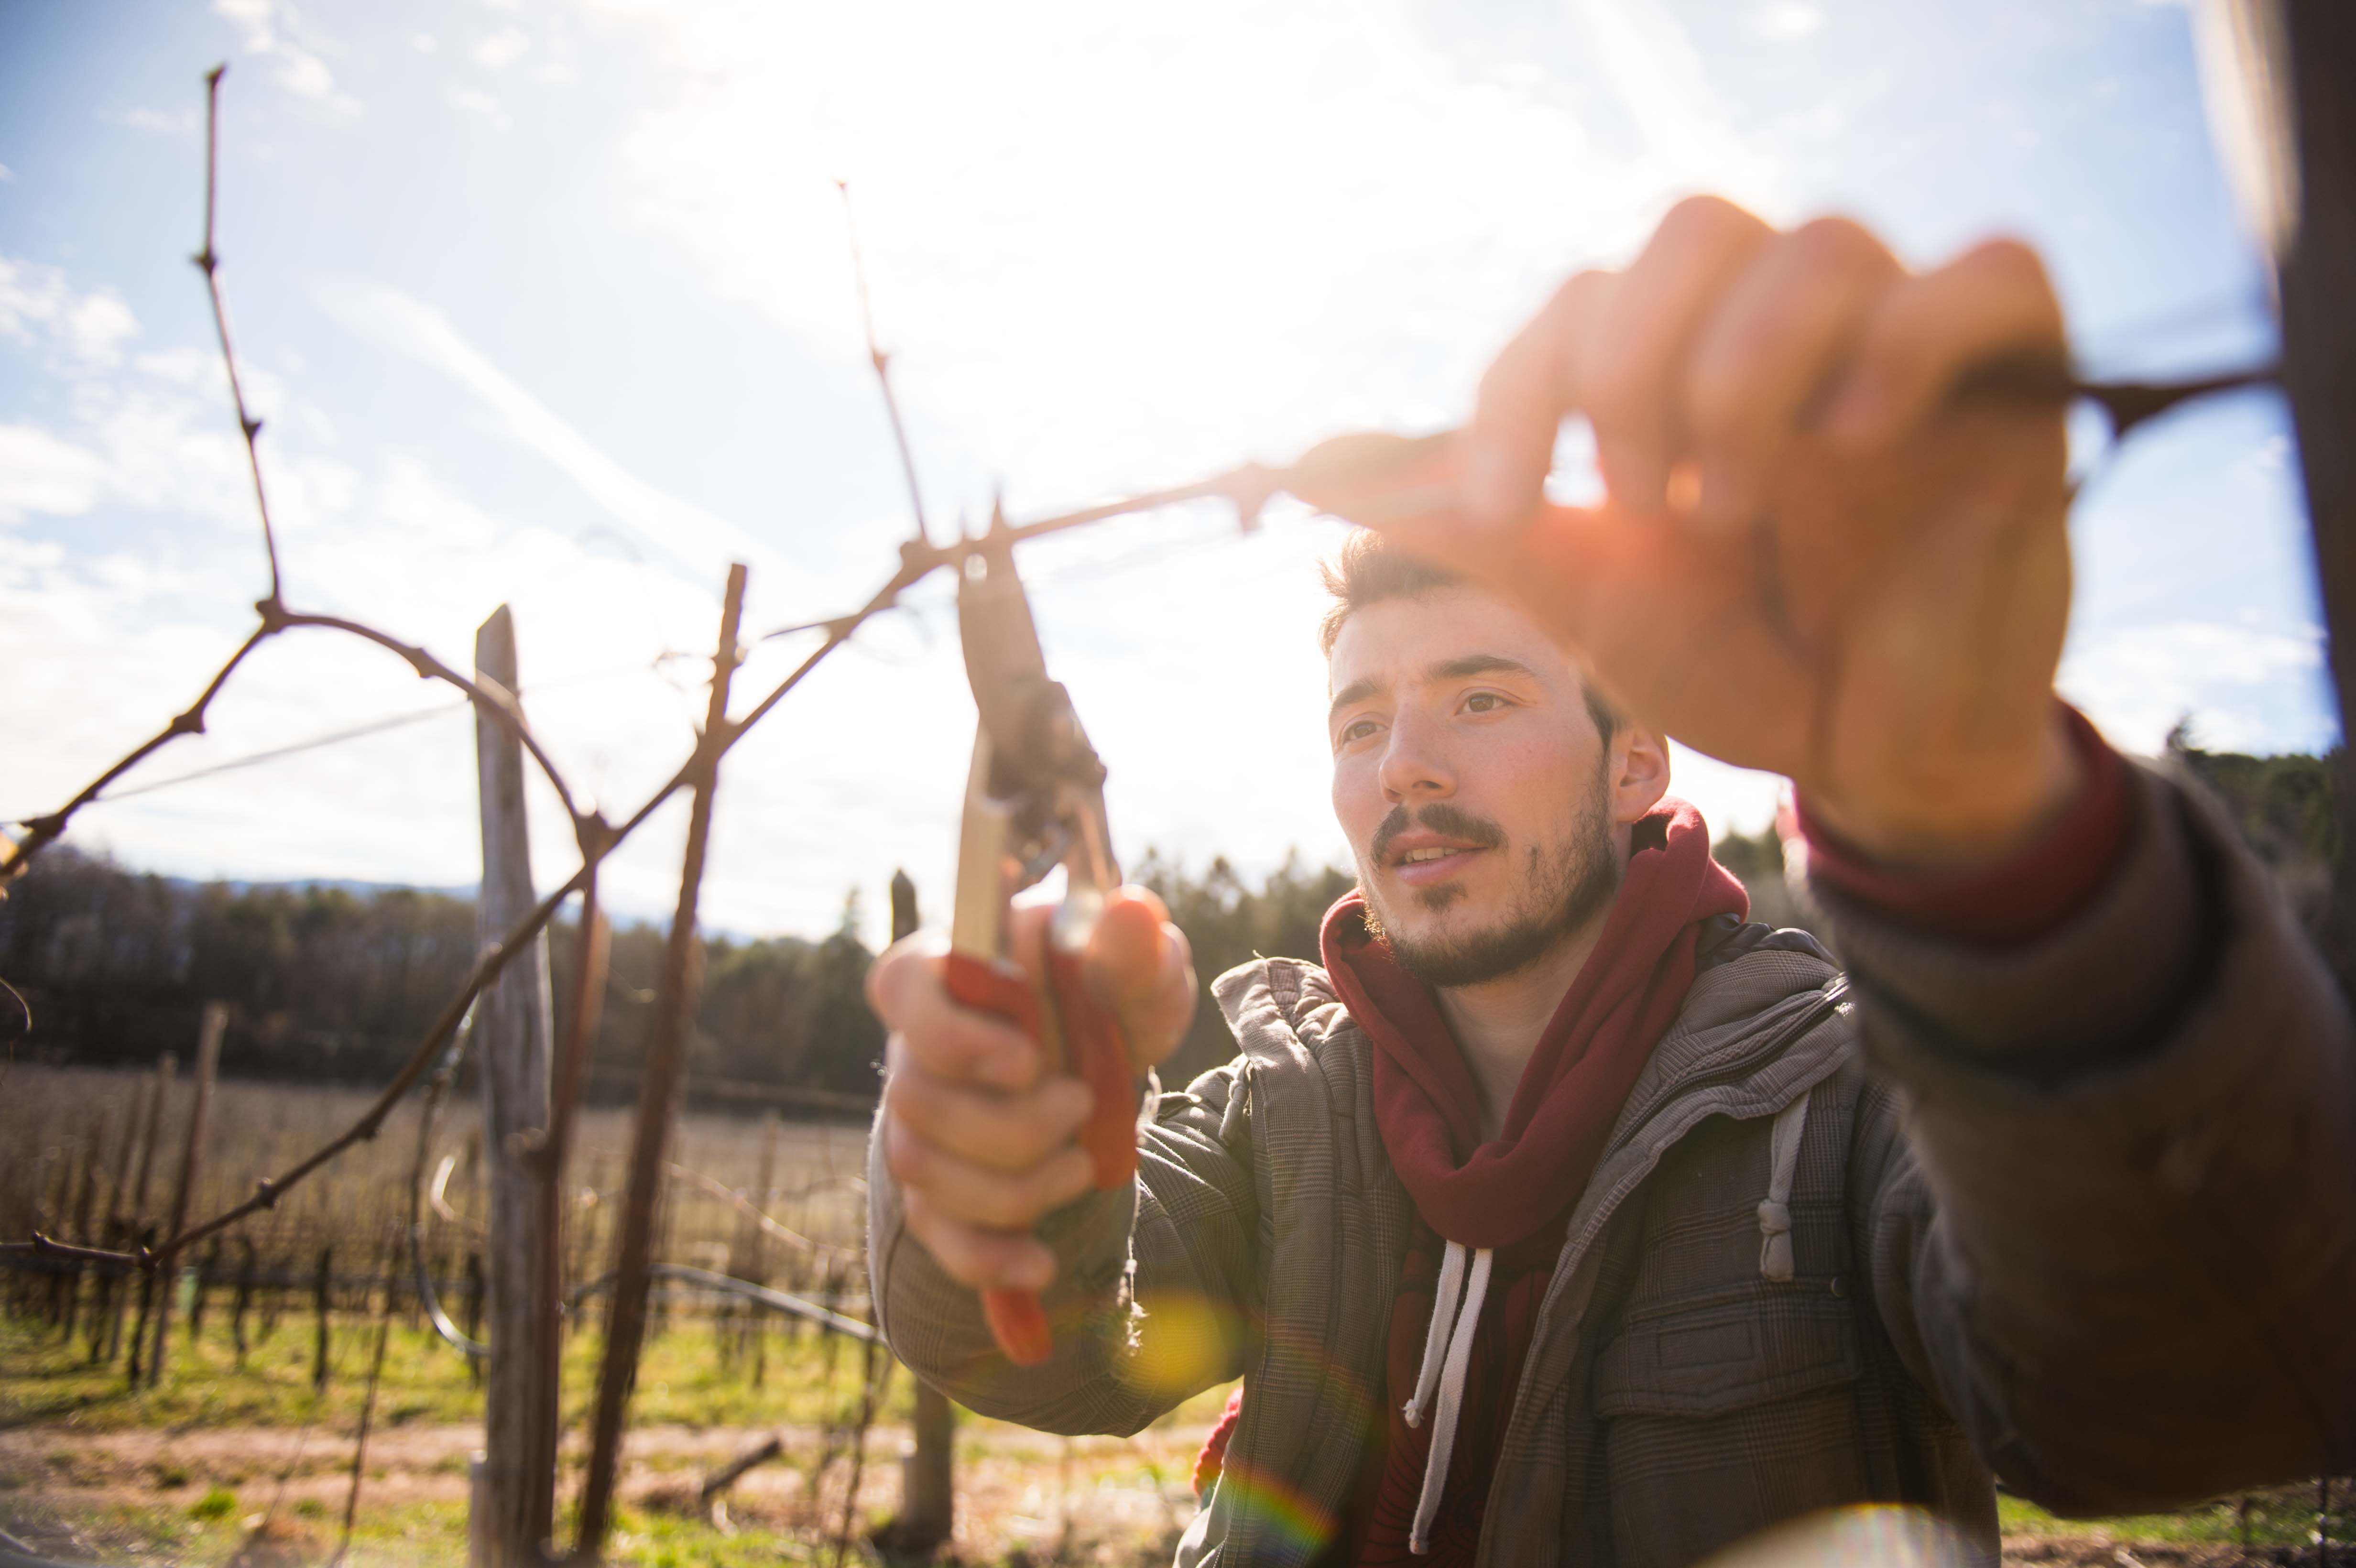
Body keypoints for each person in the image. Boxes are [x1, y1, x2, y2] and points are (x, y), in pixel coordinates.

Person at [863, 197, 2356, 1567]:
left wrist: (1979, 829)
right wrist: (997, 1175)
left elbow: (2205, 1393)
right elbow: (1041, 1351)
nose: (1405, 768)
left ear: (1638, 763)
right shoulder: (1284, 1110)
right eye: (1361, 723)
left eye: (1484, 699)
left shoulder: (1838, 1102)